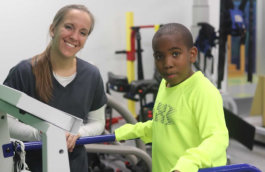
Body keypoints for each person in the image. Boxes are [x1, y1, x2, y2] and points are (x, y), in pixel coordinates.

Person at [3, 4, 107, 172]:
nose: (74, 36)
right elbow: (5, 122)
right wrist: (40, 134)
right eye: (68, 27)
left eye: (83, 32)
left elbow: (97, 122)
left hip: (75, 166)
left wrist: (79, 133)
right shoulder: (24, 72)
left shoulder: (92, 75)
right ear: (53, 29)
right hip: (32, 166)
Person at [115, 23, 229, 172]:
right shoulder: (165, 84)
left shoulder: (203, 91)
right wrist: (134, 131)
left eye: (175, 54)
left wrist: (190, 162)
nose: (167, 63)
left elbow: (217, 139)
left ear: (192, 54)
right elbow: (164, 126)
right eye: (159, 56)